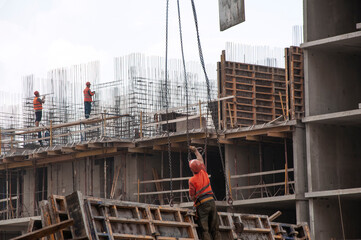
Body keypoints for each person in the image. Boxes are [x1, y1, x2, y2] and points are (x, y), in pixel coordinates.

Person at [188, 146, 221, 240]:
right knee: (215, 227)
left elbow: (192, 197)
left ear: (191, 169)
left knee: (204, 229)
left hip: (202, 205)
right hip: (211, 201)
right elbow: (200, 159)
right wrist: (195, 151)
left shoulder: (192, 180)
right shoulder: (203, 172)